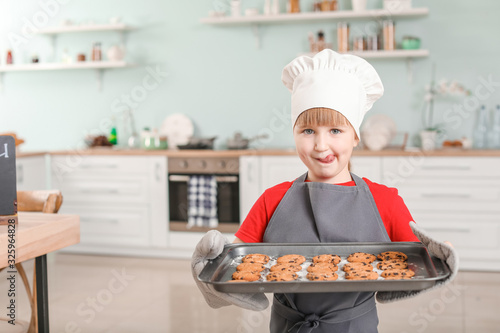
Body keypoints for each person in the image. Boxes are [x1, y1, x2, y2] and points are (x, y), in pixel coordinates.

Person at [191, 49, 458, 333]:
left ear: (355, 135)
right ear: (293, 134)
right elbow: (239, 266)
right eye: (307, 131)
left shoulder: (385, 201)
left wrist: (443, 257)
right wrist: (209, 265)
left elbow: (414, 266)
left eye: (335, 131)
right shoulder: (273, 199)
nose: (320, 145)